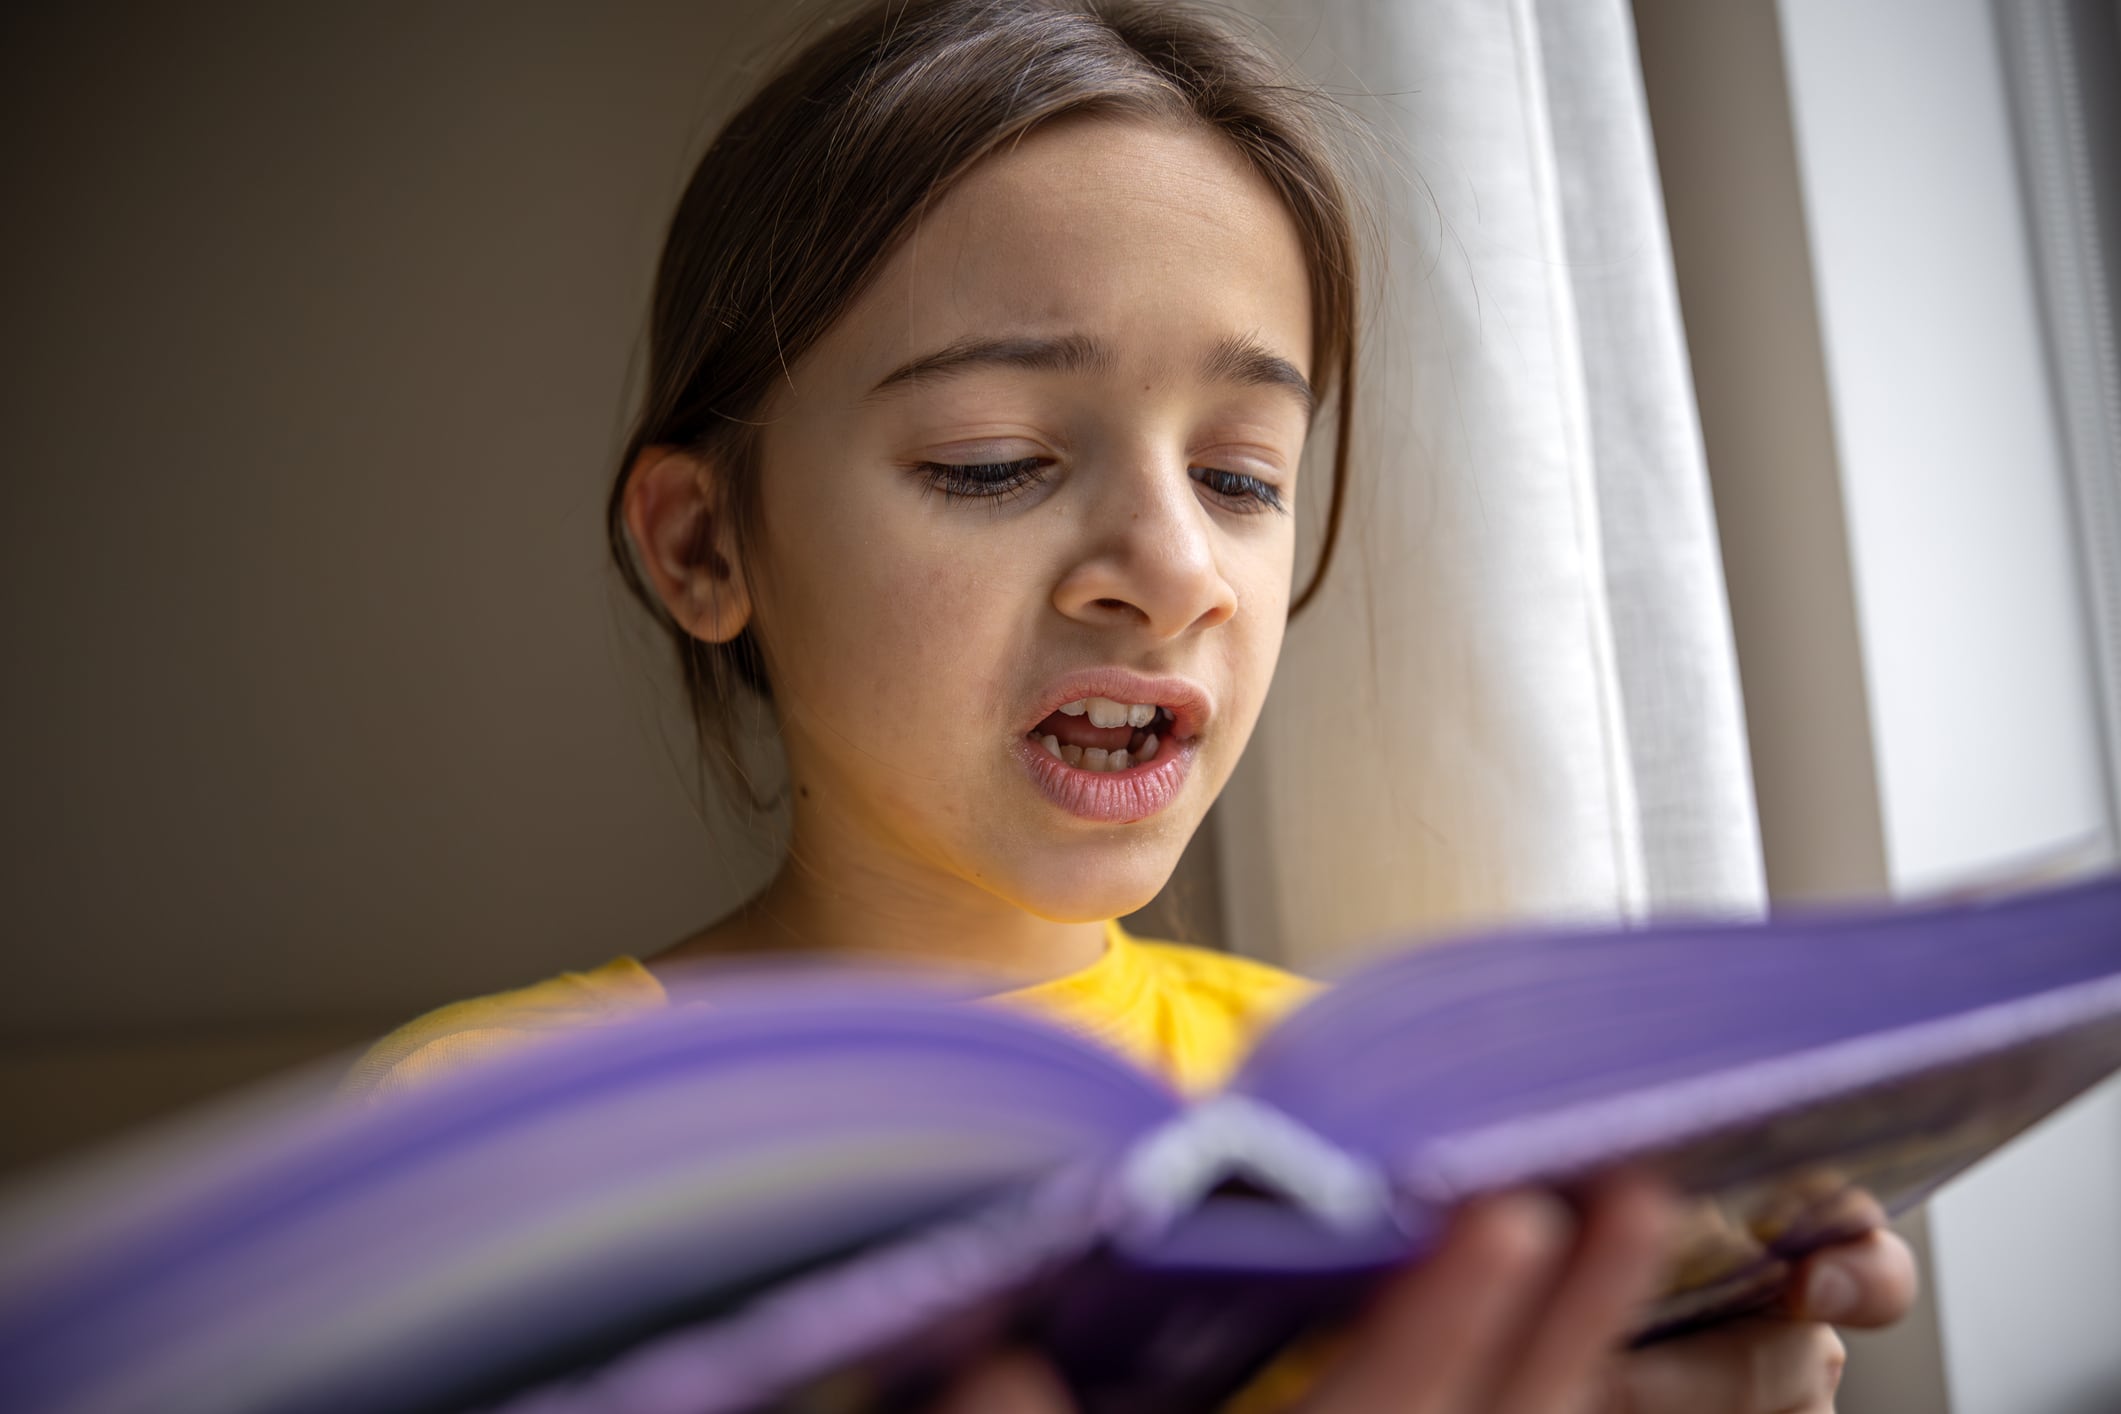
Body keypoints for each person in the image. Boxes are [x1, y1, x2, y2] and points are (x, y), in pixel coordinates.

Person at [346, 0, 1916, 1407]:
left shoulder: (1380, 1124)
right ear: (703, 544)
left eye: (1239, 475)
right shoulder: (482, 1131)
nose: (1173, 572)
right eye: (994, 462)